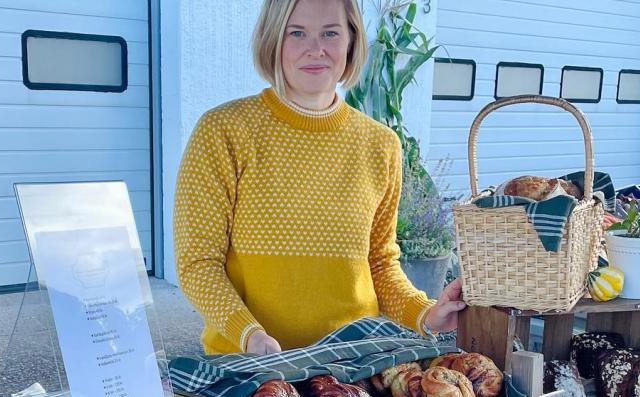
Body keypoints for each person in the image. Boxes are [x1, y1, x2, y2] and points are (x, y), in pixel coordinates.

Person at [172, 0, 465, 355]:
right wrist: (248, 335)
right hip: (247, 371)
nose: (316, 49)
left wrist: (427, 313)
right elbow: (198, 263)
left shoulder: (381, 145)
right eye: (297, 33)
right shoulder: (223, 131)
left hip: (352, 372)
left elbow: (379, 264)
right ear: (273, 40)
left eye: (330, 33)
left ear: (351, 42)